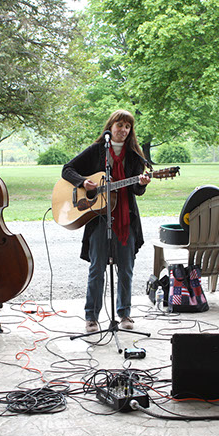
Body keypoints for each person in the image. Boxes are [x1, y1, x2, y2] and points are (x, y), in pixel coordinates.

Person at [62, 109, 151, 332]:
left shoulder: (135, 156)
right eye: (120, 125)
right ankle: (91, 317)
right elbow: (67, 169)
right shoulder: (96, 150)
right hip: (99, 218)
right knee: (97, 268)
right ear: (110, 127)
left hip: (126, 218)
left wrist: (141, 184)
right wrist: (83, 183)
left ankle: (125, 314)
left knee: (126, 269)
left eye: (128, 126)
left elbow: (136, 190)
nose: (123, 130)